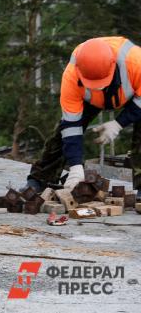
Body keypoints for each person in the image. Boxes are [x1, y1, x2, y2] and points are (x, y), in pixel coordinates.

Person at [24, 37, 141, 200]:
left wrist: (118, 123)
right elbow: (71, 126)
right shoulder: (71, 77)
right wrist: (76, 166)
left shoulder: (136, 62)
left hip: (133, 95)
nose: (98, 87)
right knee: (60, 135)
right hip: (89, 100)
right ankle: (40, 179)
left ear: (113, 66)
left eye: (101, 83)